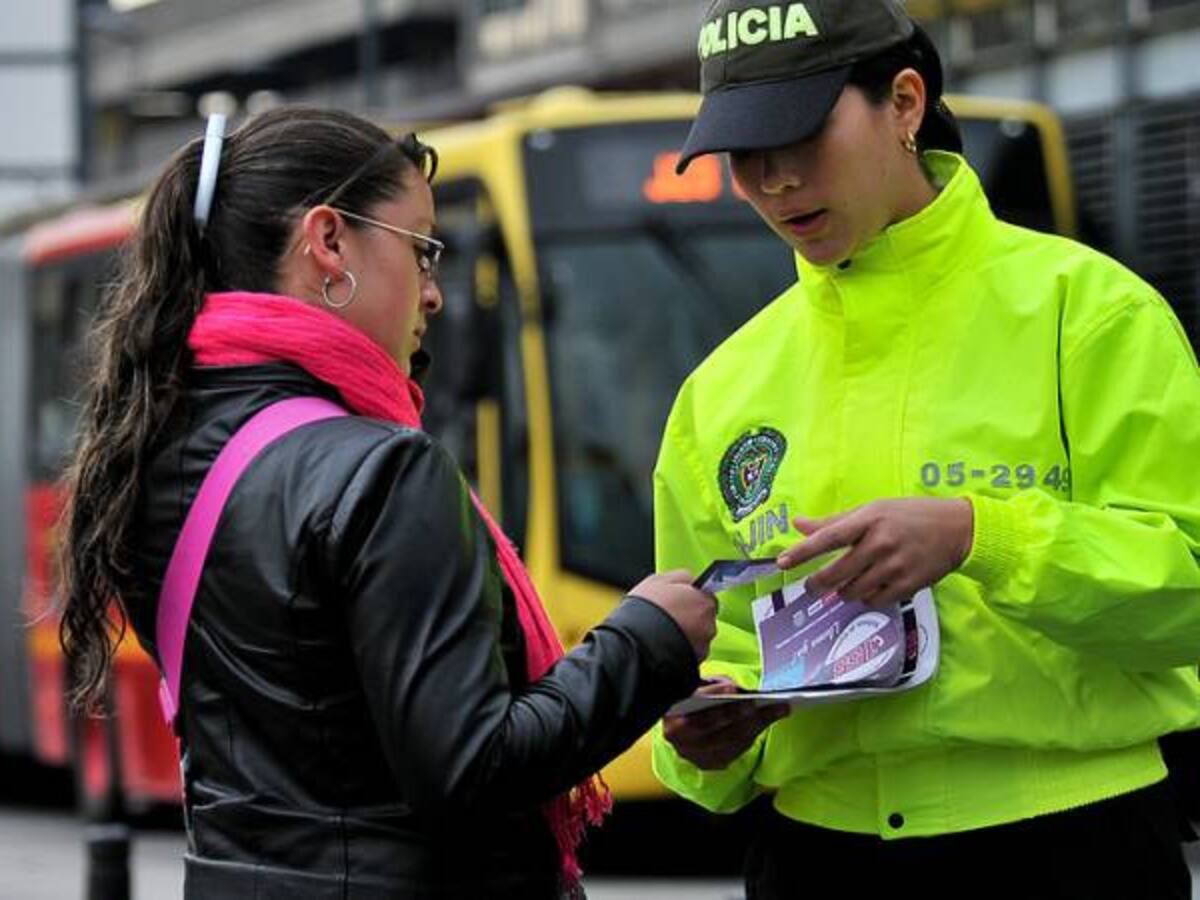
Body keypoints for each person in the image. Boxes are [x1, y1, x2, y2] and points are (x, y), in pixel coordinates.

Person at [58, 106, 718, 899]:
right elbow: (474, 770)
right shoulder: (382, 472)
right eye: (422, 250)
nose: (433, 295)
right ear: (329, 241)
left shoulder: (156, 455)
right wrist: (646, 640)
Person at [651, 1, 1200, 897]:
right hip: (816, 858)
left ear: (905, 103)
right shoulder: (719, 392)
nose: (775, 180)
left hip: (1072, 849)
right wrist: (709, 735)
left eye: (798, 135)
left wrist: (979, 536)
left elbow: (1189, 592)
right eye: (742, 155)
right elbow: (709, 645)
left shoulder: (1091, 315)